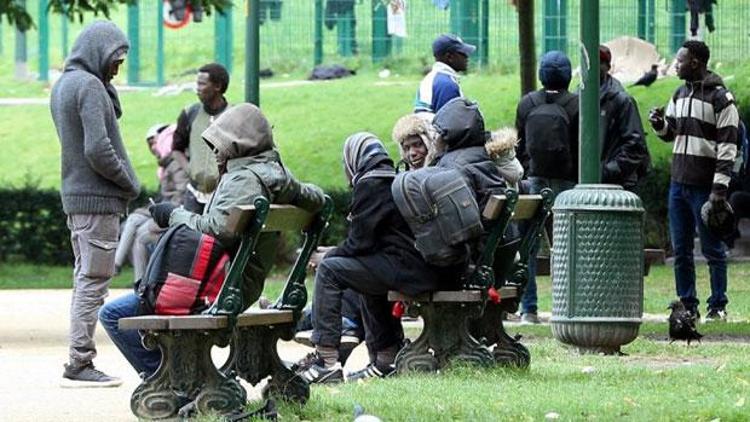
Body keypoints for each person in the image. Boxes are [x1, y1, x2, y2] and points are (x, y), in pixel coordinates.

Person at [99, 103, 325, 376]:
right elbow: (320, 199)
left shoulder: (243, 180)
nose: (216, 152)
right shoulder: (275, 174)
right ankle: (172, 373)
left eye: (220, 145)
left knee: (112, 315)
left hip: (219, 290)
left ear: (238, 144)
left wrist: (173, 215)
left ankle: (167, 378)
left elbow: (216, 229)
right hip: (240, 283)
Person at [299, 133, 462, 384]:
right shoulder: (392, 177)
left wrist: (327, 255)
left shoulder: (371, 183)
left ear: (353, 160)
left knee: (330, 270)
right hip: (421, 267)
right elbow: (367, 243)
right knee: (365, 276)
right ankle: (386, 358)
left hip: (411, 271)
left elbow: (359, 243)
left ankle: (326, 361)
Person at [50, 21, 140, 387]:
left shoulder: (65, 85)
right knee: (94, 281)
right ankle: (80, 363)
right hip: (98, 200)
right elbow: (98, 149)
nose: (118, 67)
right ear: (98, 51)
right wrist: (129, 181)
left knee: (84, 277)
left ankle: (79, 360)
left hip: (78, 198)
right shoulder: (88, 86)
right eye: (115, 59)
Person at [649, 40, 739, 322]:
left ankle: (718, 306)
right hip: (678, 185)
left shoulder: (721, 99)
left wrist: (719, 190)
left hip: (706, 188)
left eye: (680, 60)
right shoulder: (679, 94)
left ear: (696, 63)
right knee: (682, 251)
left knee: (712, 249)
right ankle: (688, 305)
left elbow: (728, 147)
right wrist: (659, 124)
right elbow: (671, 133)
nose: (676, 65)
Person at [515, 51, 579, 324]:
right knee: (566, 246)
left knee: (528, 244)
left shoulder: (527, 103)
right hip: (566, 181)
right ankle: (566, 306)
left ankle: (528, 308)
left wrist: (528, 170)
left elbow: (519, 144)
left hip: (533, 180)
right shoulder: (577, 105)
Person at [114, 124, 189, 282]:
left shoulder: (176, 165)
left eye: (156, 142)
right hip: (166, 211)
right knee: (133, 224)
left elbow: (180, 197)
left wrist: (156, 210)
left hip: (171, 214)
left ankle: (134, 278)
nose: (154, 148)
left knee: (140, 232)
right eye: (150, 144)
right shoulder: (167, 165)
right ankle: (137, 280)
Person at [172, 63, 230, 214]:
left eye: (202, 84)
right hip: (194, 195)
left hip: (224, 196)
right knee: (189, 236)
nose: (197, 88)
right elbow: (176, 149)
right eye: (196, 83)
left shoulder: (234, 116)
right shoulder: (189, 113)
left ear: (217, 86)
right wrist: (190, 169)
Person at [598, 45, 651, 191]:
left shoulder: (621, 100)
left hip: (618, 185)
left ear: (608, 67)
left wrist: (608, 171)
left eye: (599, 62)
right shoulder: (579, 97)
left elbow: (636, 145)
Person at [414, 34, 475, 114]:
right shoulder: (448, 85)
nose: (467, 57)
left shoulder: (430, 78)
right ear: (449, 57)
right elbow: (451, 123)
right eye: (462, 53)